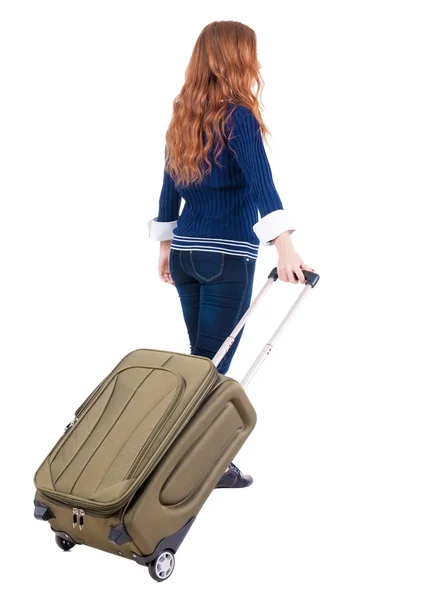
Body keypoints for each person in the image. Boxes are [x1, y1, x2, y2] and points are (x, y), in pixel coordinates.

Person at [148, 21, 313, 489]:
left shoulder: (183, 114)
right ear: (237, 59)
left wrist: (165, 248)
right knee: (209, 369)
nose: (256, 63)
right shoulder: (238, 115)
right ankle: (183, 466)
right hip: (226, 258)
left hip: (185, 256)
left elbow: (167, 190)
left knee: (200, 364)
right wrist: (285, 247)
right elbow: (263, 184)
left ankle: (182, 457)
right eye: (251, 54)